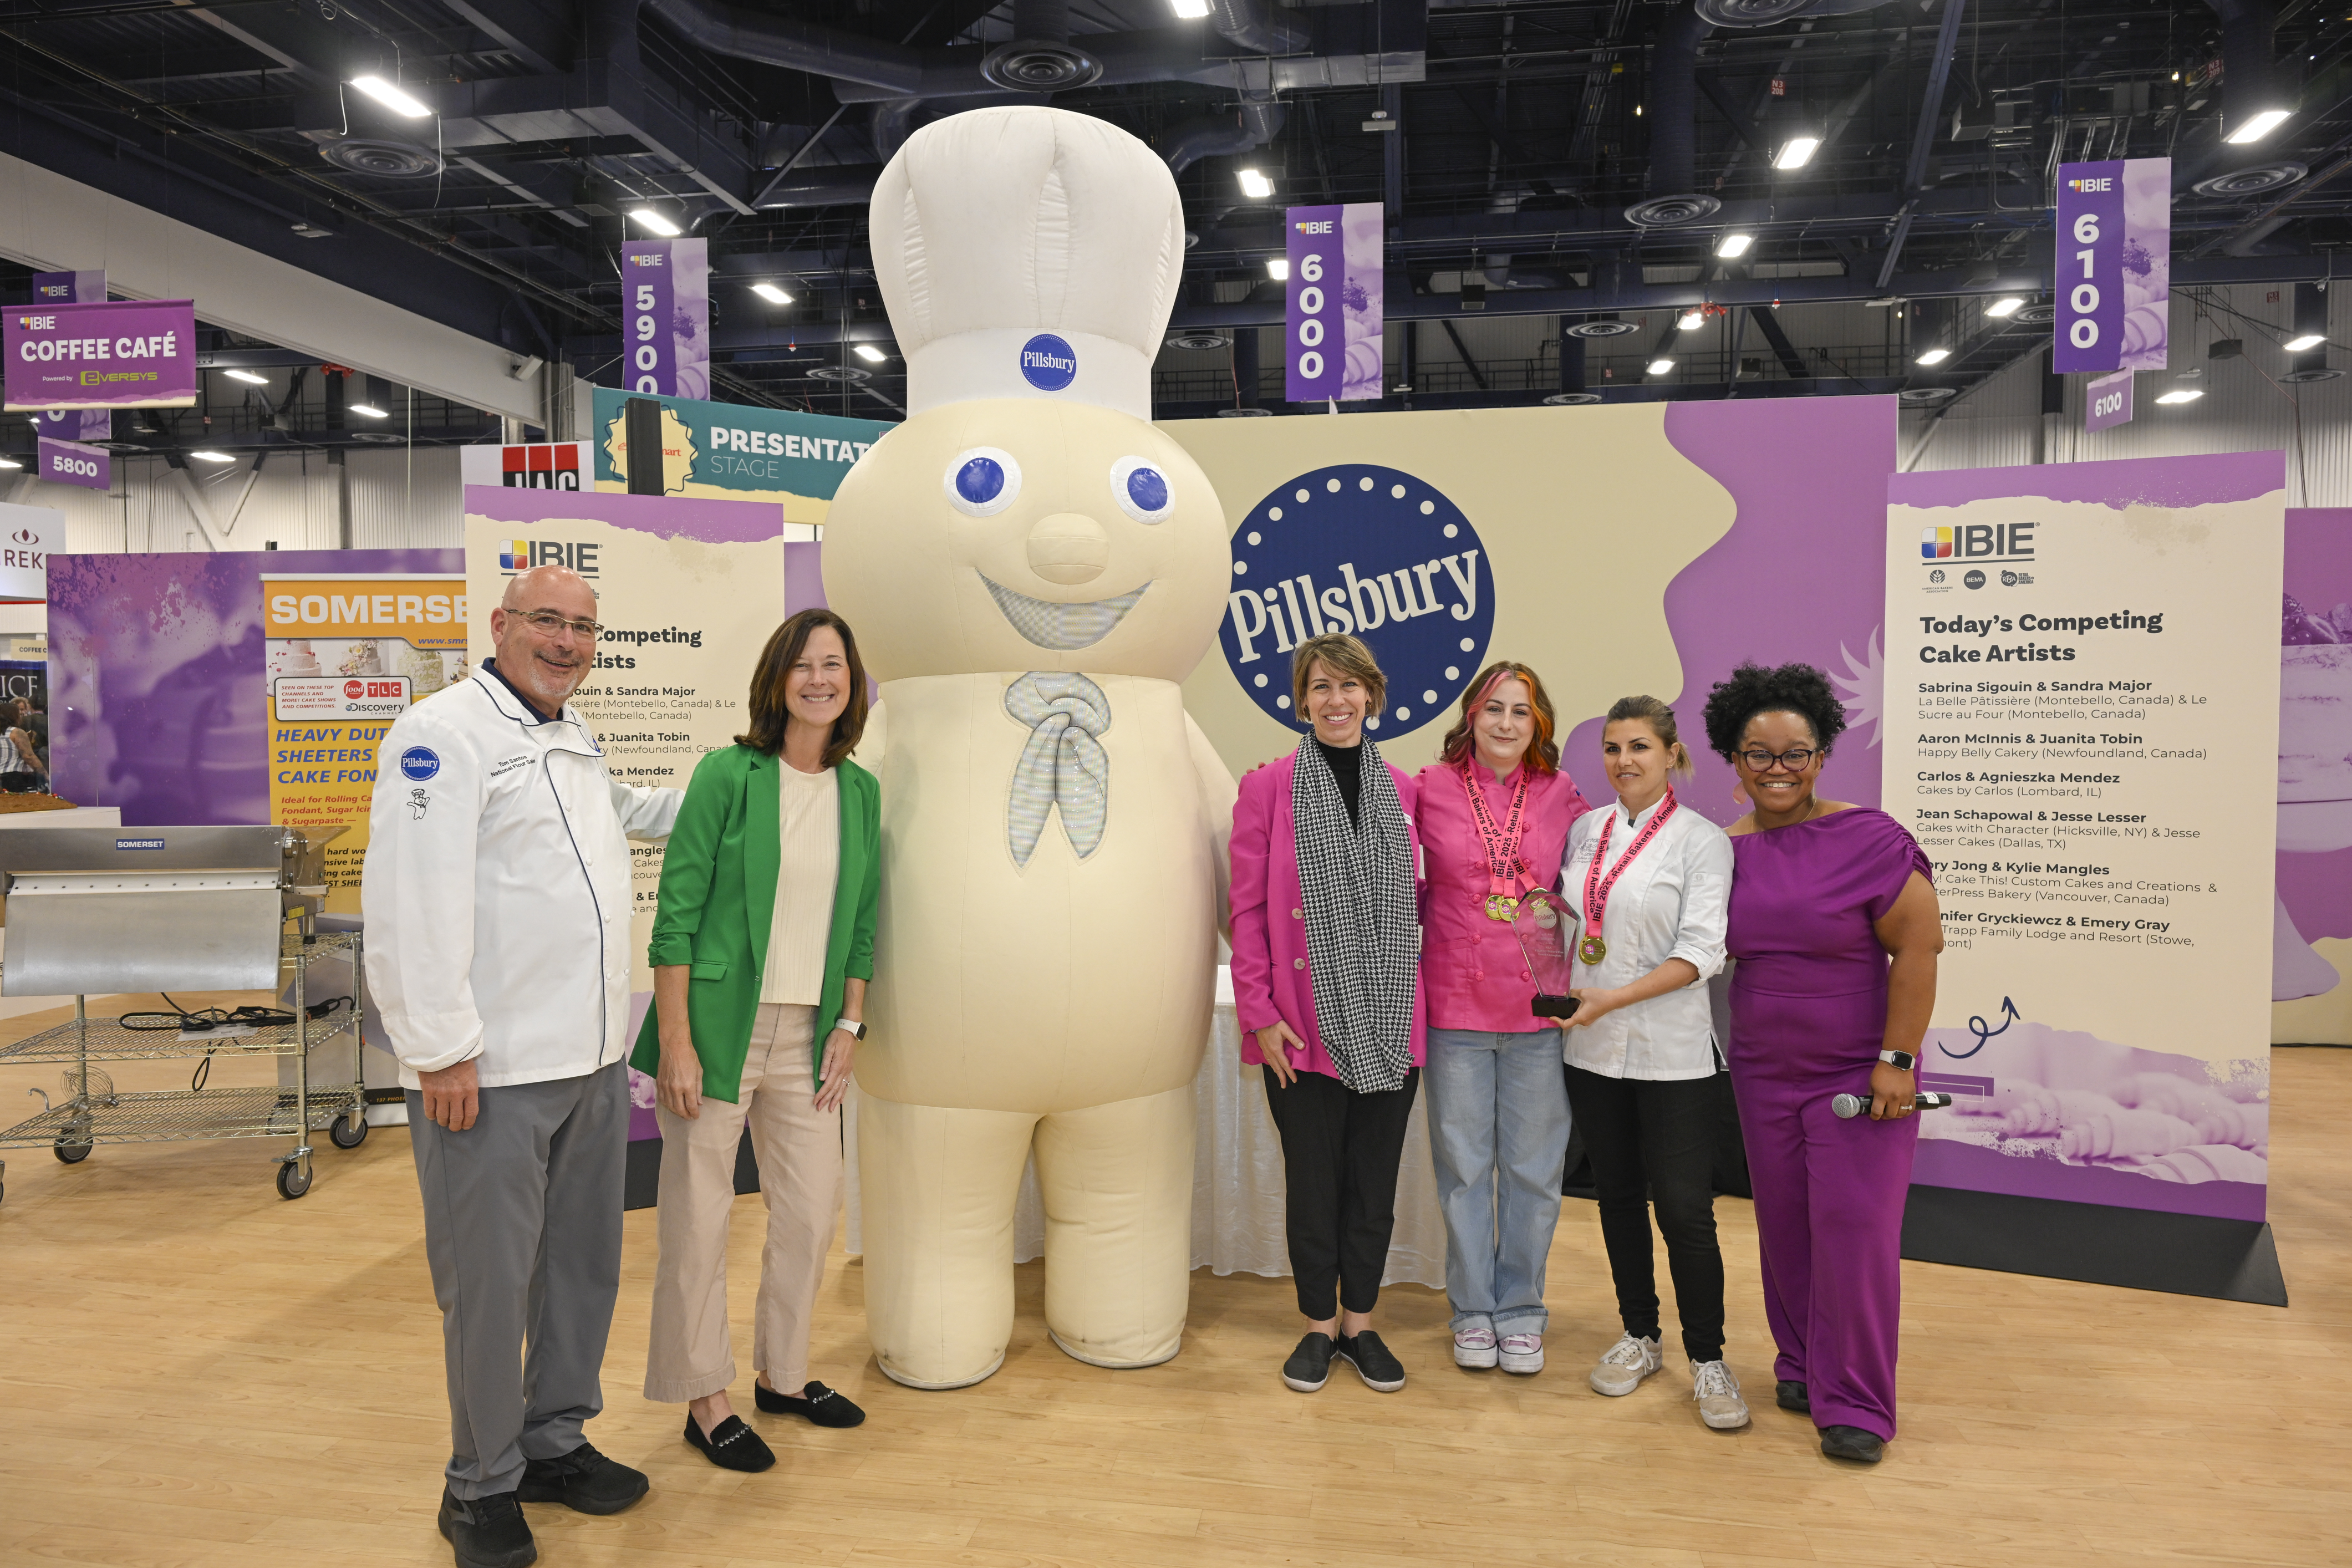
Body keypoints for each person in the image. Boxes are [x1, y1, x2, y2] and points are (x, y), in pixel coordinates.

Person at [364, 565, 682, 1568]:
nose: (567, 640)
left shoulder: (567, 731)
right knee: (490, 1288)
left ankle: (553, 1441)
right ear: (499, 624)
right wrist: (439, 1046)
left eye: (584, 626)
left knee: (582, 1268)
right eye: (547, 620)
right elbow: (412, 901)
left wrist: (758, 786)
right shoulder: (442, 733)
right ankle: (480, 1485)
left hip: (586, 1061)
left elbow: (625, 810)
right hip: (488, 1071)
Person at [633, 608, 879, 1471]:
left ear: (852, 684)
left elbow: (860, 924)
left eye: (836, 667)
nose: (821, 679)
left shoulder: (859, 790)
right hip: (718, 1033)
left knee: (810, 1215)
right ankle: (705, 1397)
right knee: (699, 1223)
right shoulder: (727, 775)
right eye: (805, 665)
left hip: (811, 1036)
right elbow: (677, 918)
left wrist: (850, 1021)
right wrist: (675, 1042)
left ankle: (785, 1374)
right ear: (778, 679)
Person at [1702, 661, 1941, 1466]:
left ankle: (1859, 1403)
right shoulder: (1716, 852)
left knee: (1856, 1232)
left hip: (1857, 1070)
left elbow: (1917, 948)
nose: (1777, 770)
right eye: (1758, 755)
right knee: (1785, 1225)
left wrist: (1897, 1061)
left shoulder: (1869, 837)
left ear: (1821, 755)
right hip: (1761, 1069)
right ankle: (1801, 1363)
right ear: (1732, 761)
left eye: (1794, 754)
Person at [1231, 633, 1426, 1396]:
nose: (1335, 701)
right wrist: (1260, 1013)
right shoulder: (1267, 789)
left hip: (1388, 1017)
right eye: (1319, 688)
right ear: (1300, 699)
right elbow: (1245, 911)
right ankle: (1317, 1324)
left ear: (1370, 696)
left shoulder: (1406, 792)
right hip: (1297, 1029)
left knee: (1372, 1185)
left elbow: (1425, 906)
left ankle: (1360, 1323)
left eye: (1348, 687)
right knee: (1313, 1183)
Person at [1553, 696, 1742, 1429]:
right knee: (1619, 1200)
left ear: (1671, 756)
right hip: (1592, 1052)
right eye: (1611, 748)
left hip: (1671, 1057)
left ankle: (1708, 1358)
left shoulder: (1701, 843)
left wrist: (1610, 997)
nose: (1624, 761)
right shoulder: (1583, 833)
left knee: (1686, 1212)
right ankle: (1640, 1336)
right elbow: (1569, 928)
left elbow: (1701, 953)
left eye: (1639, 747)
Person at [1414, 663, 1590, 1375]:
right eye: (1494, 709)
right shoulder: (1428, 788)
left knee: (1534, 1170)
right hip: (1455, 1002)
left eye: (1522, 711)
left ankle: (1521, 1308)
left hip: (1537, 1009)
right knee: (1462, 1169)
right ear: (1471, 715)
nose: (1508, 723)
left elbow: (1607, 870)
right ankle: (1471, 1309)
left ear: (1539, 722)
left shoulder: (1561, 793)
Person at [1, 697, 43, 793]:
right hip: (13, 777)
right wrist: (45, 774)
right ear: (13, 716)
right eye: (19, 714)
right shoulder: (17, 732)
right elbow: (28, 756)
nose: (22, 716)